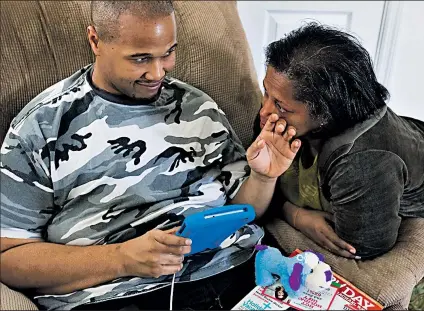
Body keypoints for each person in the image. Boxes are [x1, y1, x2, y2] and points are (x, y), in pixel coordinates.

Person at [0, 1, 302, 310]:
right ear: (96, 41)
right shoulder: (41, 128)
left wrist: (264, 176)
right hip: (123, 294)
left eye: (168, 52)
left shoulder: (197, 107)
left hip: (237, 268)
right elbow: (8, 256)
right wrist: (122, 259)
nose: (157, 72)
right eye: (140, 58)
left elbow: (244, 209)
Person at [255, 22, 424, 269]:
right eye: (266, 92)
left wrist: (286, 212)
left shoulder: (364, 160)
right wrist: (295, 214)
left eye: (281, 106)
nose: (265, 111)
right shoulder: (283, 110)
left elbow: (364, 246)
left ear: (325, 114)